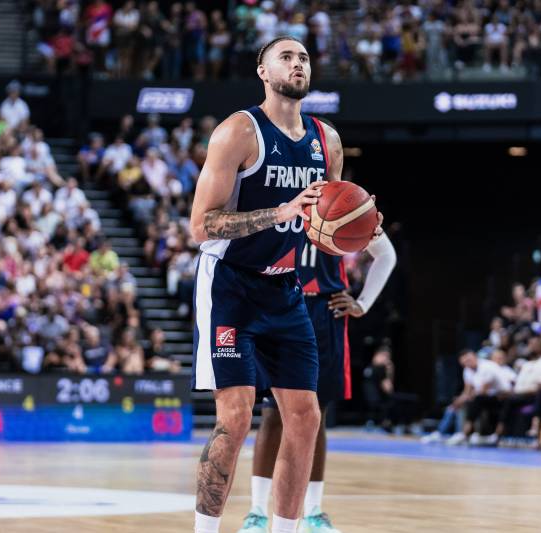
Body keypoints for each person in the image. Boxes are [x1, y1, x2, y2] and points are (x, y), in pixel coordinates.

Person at [188, 36, 380, 533]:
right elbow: (200, 225)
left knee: (305, 416)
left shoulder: (327, 140)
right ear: (263, 71)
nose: (297, 64)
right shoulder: (238, 132)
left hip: (285, 287)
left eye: (304, 58)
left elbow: (325, 227)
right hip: (230, 285)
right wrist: (280, 211)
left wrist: (355, 227)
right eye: (286, 57)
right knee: (235, 416)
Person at [239, 230, 395, 533]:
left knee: (316, 416)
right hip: (280, 305)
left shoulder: (346, 203)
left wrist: (363, 303)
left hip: (325, 312)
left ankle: (313, 512)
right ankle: (256, 512)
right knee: (272, 415)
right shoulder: (281, 194)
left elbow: (386, 254)